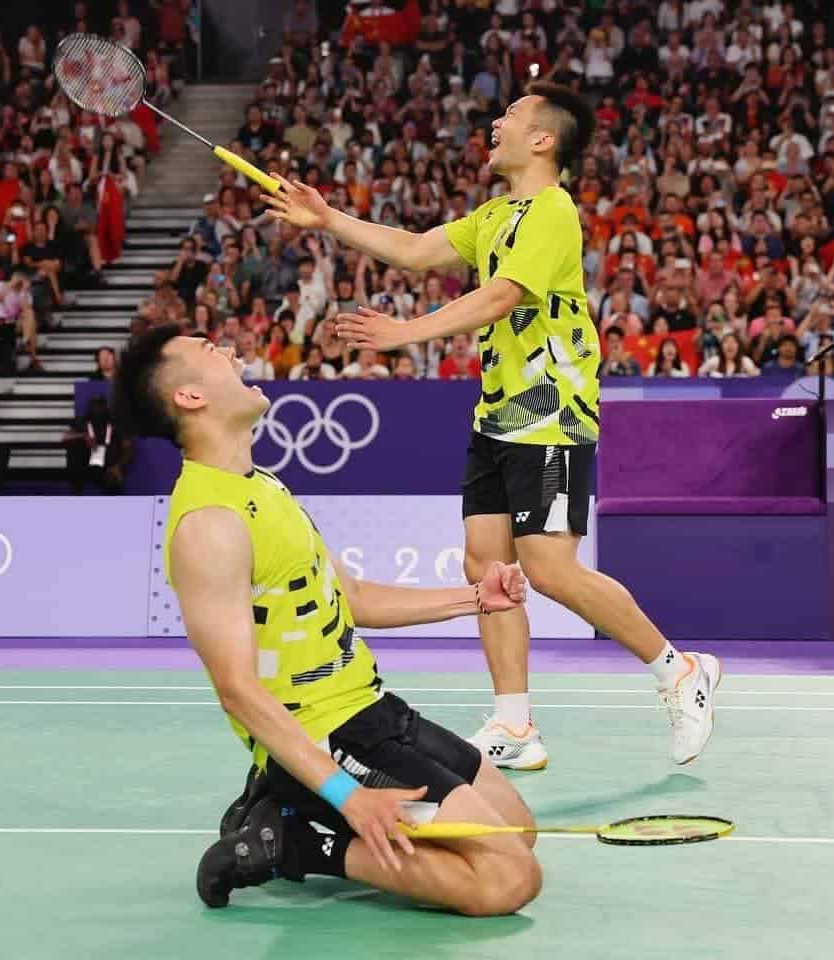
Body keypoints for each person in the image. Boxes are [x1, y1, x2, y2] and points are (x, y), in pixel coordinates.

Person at [267, 83, 721, 769]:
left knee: (549, 568)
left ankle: (679, 669)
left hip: (551, 413)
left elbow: (503, 294)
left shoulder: (553, 210)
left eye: (510, 115)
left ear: (543, 139)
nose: (495, 123)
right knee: (487, 567)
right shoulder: (494, 215)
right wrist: (328, 218)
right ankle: (515, 725)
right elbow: (414, 249)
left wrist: (405, 333)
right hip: (498, 416)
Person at [113, 325, 542, 915]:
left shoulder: (263, 485)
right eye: (211, 351)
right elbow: (237, 690)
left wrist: (475, 598)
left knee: (519, 833)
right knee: (509, 880)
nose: (231, 351)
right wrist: (347, 796)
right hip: (325, 738)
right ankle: (295, 842)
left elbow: (354, 598)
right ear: (190, 396)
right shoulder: (208, 524)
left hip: (373, 710)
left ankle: (290, 811)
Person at [63, 393, 130, 495]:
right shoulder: (81, 422)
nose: (97, 409)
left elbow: (128, 448)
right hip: (87, 462)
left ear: (106, 407)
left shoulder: (115, 422)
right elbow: (65, 438)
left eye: (100, 405)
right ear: (90, 406)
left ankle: (113, 497)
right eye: (94, 405)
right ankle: (76, 493)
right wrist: (83, 436)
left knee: (113, 478)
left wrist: (118, 466)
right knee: (74, 449)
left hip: (108, 465)